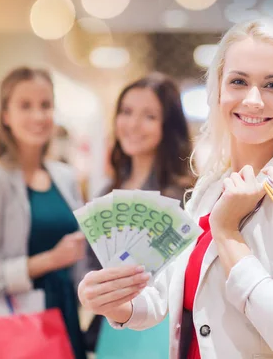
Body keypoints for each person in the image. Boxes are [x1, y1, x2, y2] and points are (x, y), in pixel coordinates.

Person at [78, 17, 273, 359]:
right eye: (238, 81)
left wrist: (227, 232)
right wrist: (115, 302)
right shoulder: (210, 186)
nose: (253, 100)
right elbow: (161, 297)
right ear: (218, 90)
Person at [0, 67, 88, 359]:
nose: (38, 116)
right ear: (6, 115)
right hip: (17, 325)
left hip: (65, 315)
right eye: (25, 106)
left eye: (45, 105)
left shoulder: (65, 177)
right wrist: (49, 260)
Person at [85, 72, 194, 357]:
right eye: (126, 112)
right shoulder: (105, 194)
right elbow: (89, 266)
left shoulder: (185, 196)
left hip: (162, 329)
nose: (133, 124)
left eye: (149, 116)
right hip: (111, 328)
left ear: (168, 127)